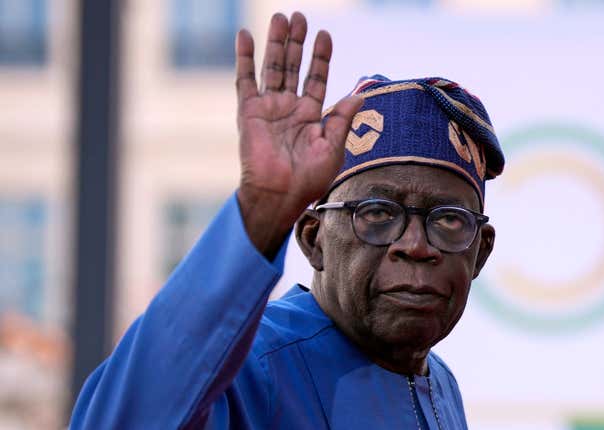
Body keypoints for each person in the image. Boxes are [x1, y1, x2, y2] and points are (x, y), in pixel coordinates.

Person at [70, 11, 504, 430]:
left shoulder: (440, 383)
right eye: (376, 213)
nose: (415, 245)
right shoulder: (250, 368)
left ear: (480, 251)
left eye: (448, 220)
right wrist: (261, 210)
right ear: (313, 239)